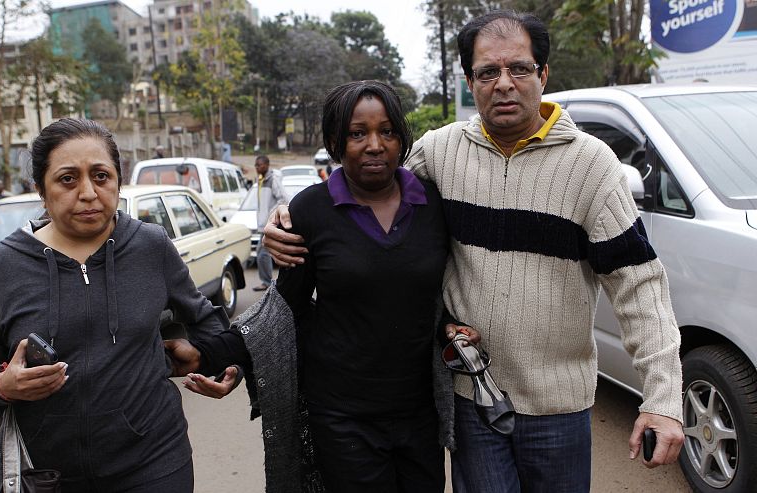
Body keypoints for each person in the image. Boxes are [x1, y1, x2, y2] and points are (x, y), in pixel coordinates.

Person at [262, 10, 684, 492]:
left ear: (542, 74)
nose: (504, 84)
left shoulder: (591, 167)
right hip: (471, 398)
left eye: (519, 69)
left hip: (558, 407)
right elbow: (366, 185)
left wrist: (663, 398)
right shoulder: (440, 152)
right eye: (488, 72)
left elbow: (639, 285)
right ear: (470, 80)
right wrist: (289, 216)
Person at [183, 80, 458, 492]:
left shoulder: (433, 204)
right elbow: (282, 309)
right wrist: (215, 356)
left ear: (401, 136)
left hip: (420, 412)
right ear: (334, 140)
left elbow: (443, 294)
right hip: (342, 415)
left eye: (387, 131)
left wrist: (454, 327)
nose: (375, 145)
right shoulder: (311, 210)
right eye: (357, 133)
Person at [0, 118, 245, 493]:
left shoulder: (150, 245)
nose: (89, 192)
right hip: (48, 475)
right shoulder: (2, 266)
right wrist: (1, 385)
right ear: (41, 190)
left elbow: (205, 317)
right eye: (68, 179)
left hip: (156, 460)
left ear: (118, 182)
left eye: (101, 176)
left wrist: (225, 365)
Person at [252, 155, 288, 291]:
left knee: (262, 253)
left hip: (269, 224)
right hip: (262, 225)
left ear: (267, 165)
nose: (257, 167)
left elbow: (284, 199)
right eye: (255, 165)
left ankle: (267, 282)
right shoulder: (260, 180)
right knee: (263, 253)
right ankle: (269, 282)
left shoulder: (273, 180)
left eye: (259, 165)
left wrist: (270, 215)